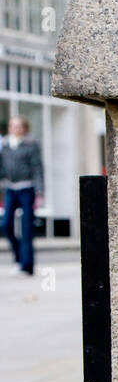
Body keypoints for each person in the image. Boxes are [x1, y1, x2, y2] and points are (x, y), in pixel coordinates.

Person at [1, 116, 43, 276]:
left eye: (18, 126)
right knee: (6, 224)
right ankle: (19, 258)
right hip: (10, 189)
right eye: (12, 126)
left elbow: (37, 168)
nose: (15, 129)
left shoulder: (31, 145)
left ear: (24, 128)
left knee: (27, 228)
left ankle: (28, 265)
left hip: (27, 188)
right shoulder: (4, 145)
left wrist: (40, 191)